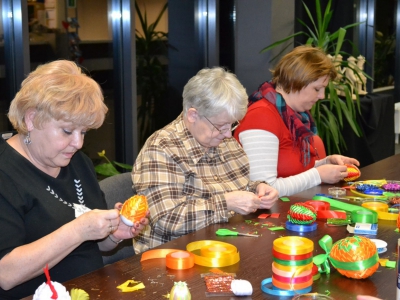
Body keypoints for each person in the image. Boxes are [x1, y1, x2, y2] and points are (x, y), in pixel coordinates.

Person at [0, 60, 148, 299]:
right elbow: (5, 274)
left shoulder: (77, 162)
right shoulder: (5, 174)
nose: (78, 144)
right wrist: (78, 230)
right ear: (31, 119)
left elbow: (92, 246)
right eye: (68, 131)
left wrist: (112, 235)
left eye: (84, 132)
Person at [132, 67, 279, 253]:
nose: (227, 135)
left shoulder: (221, 139)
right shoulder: (161, 148)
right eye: (220, 126)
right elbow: (166, 220)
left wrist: (257, 189)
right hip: (173, 257)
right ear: (193, 115)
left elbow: (236, 185)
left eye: (232, 125)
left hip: (222, 244)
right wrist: (226, 203)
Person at [234, 46, 360, 197]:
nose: (322, 96)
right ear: (296, 82)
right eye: (317, 89)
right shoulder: (261, 116)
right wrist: (318, 174)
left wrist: (324, 163)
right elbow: (262, 190)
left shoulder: (293, 116)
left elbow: (292, 170)